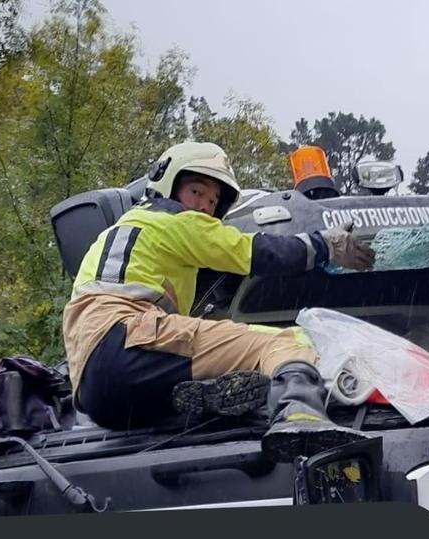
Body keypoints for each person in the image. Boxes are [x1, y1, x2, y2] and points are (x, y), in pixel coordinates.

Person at [62, 141, 375, 458]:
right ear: (168, 185)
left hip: (97, 393)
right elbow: (257, 252)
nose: (203, 207)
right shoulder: (175, 220)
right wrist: (325, 245)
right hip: (129, 338)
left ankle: (216, 398)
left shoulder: (118, 233)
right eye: (196, 192)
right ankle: (299, 415)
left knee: (219, 351)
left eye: (212, 202)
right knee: (285, 341)